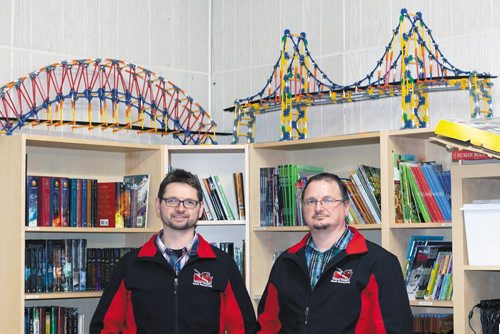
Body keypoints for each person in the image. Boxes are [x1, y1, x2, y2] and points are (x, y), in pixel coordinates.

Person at [90, 168, 257, 333]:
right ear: (158, 205)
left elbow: (244, 328)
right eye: (172, 200)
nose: (180, 208)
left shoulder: (222, 264)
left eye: (189, 202)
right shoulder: (130, 264)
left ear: (200, 209)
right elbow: (104, 327)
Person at [257, 172, 412, 333]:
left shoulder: (380, 263)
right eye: (310, 201)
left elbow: (396, 328)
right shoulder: (286, 262)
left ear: (346, 207)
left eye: (328, 200)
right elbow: (268, 325)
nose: (318, 208)